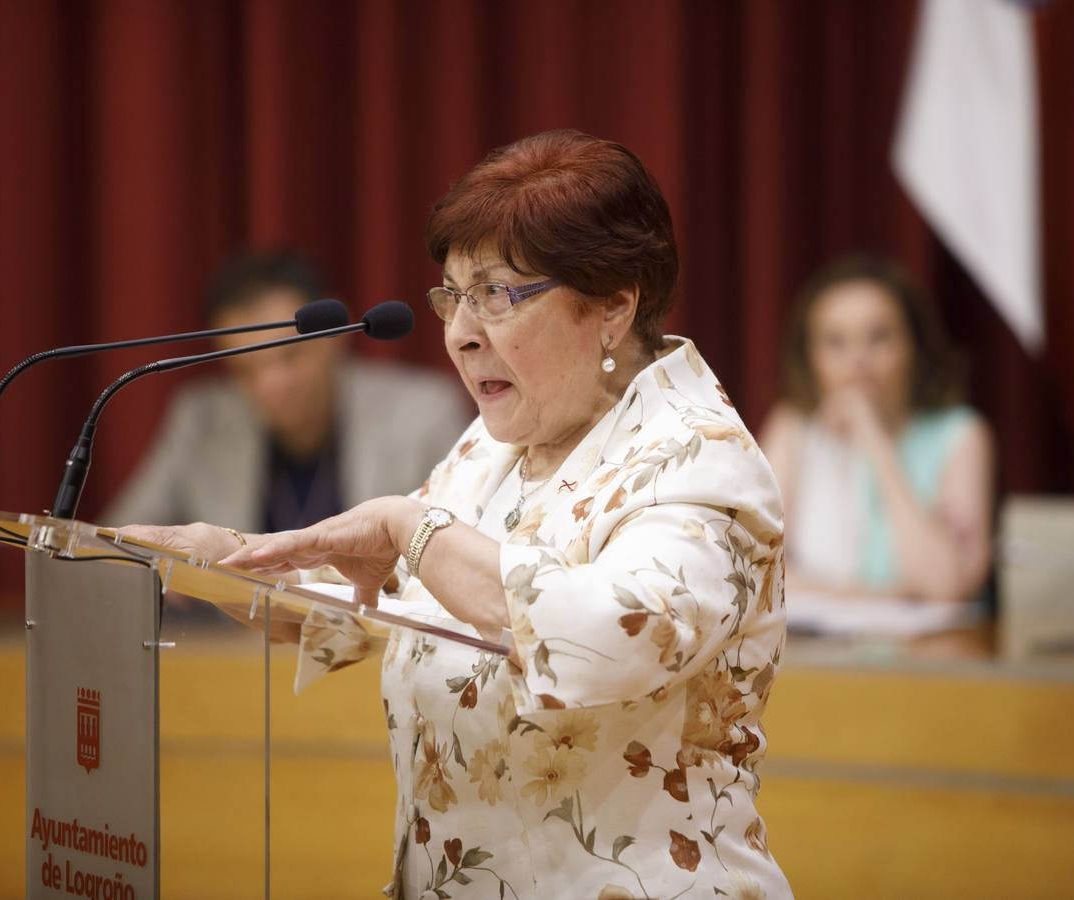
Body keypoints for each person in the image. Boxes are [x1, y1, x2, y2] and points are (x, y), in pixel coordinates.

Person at [129, 131, 790, 898]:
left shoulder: (703, 457)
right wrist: (235, 563)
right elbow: (399, 600)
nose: (460, 332)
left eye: (498, 295)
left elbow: (611, 635)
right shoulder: (496, 444)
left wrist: (416, 531)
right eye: (453, 295)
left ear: (613, 304)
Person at [103, 249, 472, 537]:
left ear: (335, 334)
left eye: (290, 356)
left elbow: (462, 543)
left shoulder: (423, 412)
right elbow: (121, 536)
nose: (272, 384)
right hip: (233, 635)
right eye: (247, 369)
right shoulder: (203, 418)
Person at [759, 254, 993, 608]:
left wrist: (875, 442)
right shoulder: (792, 427)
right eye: (836, 341)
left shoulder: (962, 435)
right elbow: (754, 571)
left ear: (914, 346)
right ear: (810, 356)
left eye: (879, 337)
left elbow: (947, 585)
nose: (858, 361)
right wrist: (873, 596)